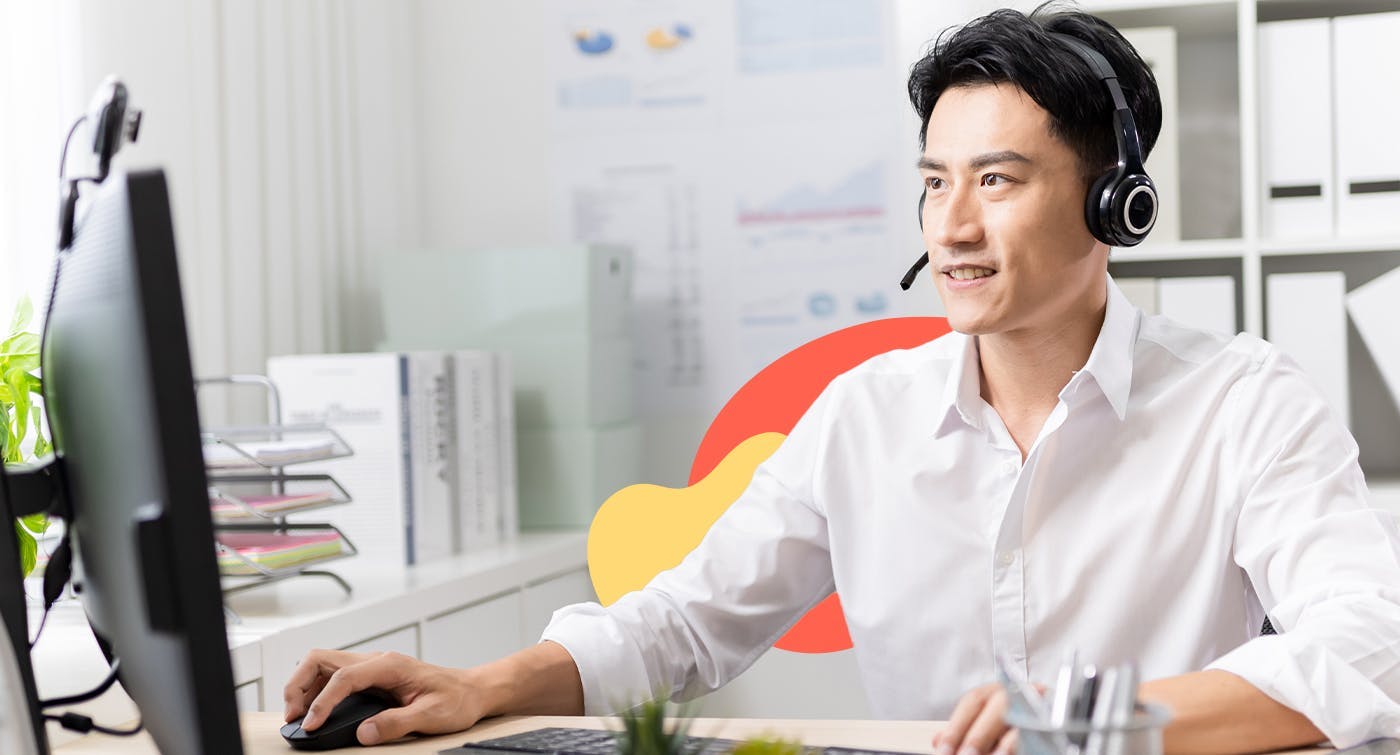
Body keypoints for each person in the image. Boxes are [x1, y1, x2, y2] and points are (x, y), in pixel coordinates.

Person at [283, 5, 1400, 753]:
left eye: (997, 181)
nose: (950, 226)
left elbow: (1364, 642)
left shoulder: (1244, 401)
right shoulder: (867, 413)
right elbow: (679, 623)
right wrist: (481, 684)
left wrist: (1092, 719)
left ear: (1116, 203)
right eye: (932, 183)